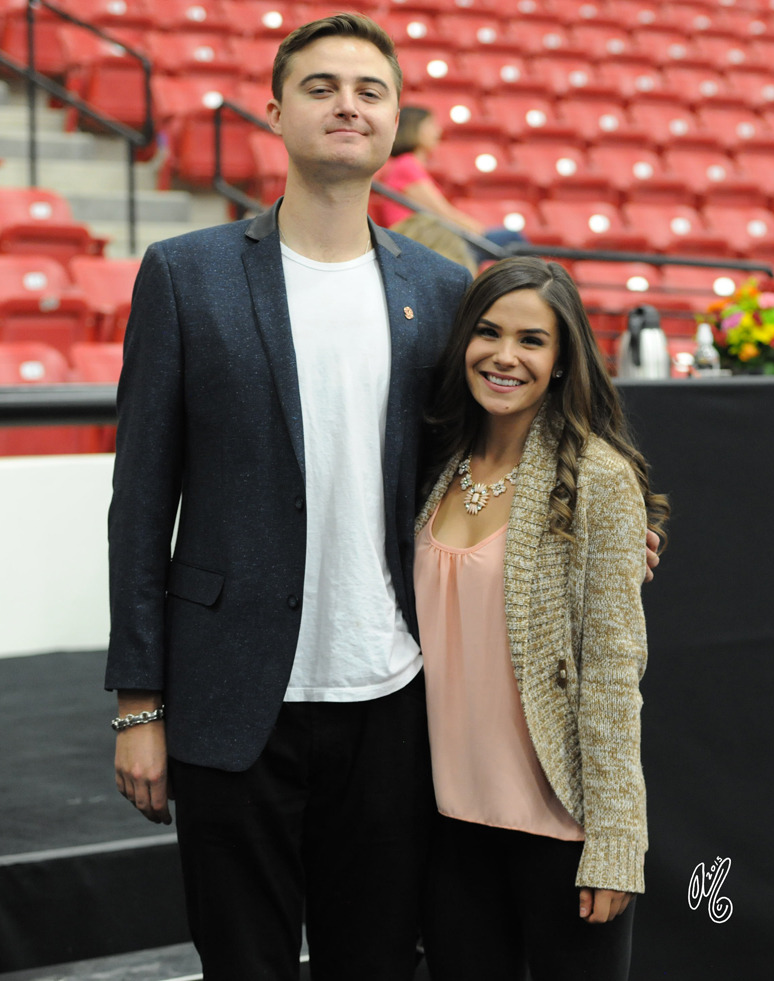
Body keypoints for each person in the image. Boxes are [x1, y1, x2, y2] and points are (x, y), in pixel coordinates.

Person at [105, 14, 473, 981]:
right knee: (243, 964)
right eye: (320, 87)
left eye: (369, 90)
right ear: (273, 112)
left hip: (393, 694)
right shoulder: (186, 275)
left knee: (377, 961)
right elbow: (140, 501)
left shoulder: (441, 289)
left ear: (394, 119)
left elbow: (482, 465)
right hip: (230, 698)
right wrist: (138, 704)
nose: (347, 104)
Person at [413, 256, 669, 981]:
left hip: (560, 827)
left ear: (561, 360)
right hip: (445, 825)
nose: (504, 356)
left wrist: (615, 843)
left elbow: (614, 673)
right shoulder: (434, 462)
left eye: (531, 340)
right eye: (488, 332)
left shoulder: (598, 477)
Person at [377, 105, 527, 256]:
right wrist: (480, 232)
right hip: (423, 241)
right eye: (431, 125)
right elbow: (442, 212)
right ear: (415, 129)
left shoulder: (408, 165)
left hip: (432, 238)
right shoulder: (406, 165)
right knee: (511, 239)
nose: (437, 131)